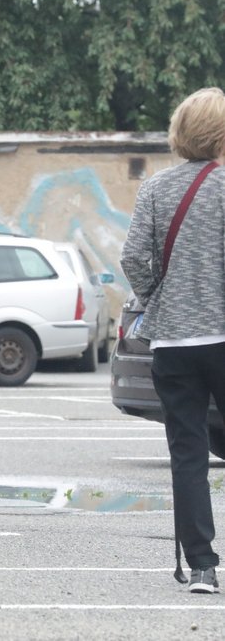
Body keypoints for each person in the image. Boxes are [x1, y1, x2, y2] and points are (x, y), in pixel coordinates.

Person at [120, 87, 225, 594]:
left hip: (174, 345)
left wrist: (157, 293)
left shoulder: (157, 188)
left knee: (188, 454)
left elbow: (133, 258)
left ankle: (202, 566)